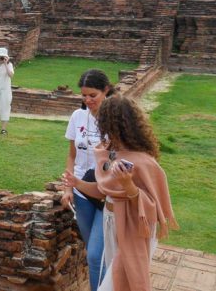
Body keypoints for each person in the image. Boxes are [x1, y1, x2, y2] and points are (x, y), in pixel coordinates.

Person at [92, 96, 178, 291]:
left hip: (133, 229)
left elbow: (152, 209)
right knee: (115, 274)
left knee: (120, 280)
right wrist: (75, 183)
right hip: (111, 221)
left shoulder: (144, 161)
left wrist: (128, 184)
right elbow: (103, 190)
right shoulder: (108, 152)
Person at [61, 69, 113, 291]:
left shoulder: (115, 119)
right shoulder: (77, 117)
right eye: (84, 96)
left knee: (94, 255)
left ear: (106, 91)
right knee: (94, 251)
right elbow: (72, 155)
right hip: (81, 192)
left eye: (93, 95)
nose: (87, 100)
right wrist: (67, 188)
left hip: (106, 194)